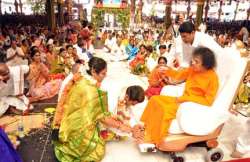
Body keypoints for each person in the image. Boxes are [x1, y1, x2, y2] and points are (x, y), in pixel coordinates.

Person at [52, 57, 132, 162]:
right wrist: (121, 126)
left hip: (68, 121)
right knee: (97, 152)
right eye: (103, 73)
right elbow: (102, 117)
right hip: (77, 129)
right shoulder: (91, 90)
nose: (105, 76)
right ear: (93, 71)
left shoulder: (81, 78)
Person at [134, 47, 219, 145]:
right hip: (181, 99)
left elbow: (208, 101)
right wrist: (166, 70)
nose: (193, 63)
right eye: (193, 60)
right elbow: (178, 75)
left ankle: (153, 138)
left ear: (206, 64)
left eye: (196, 61)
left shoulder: (213, 79)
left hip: (190, 105)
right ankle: (146, 128)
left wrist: (186, 99)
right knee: (154, 99)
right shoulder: (193, 70)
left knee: (164, 109)